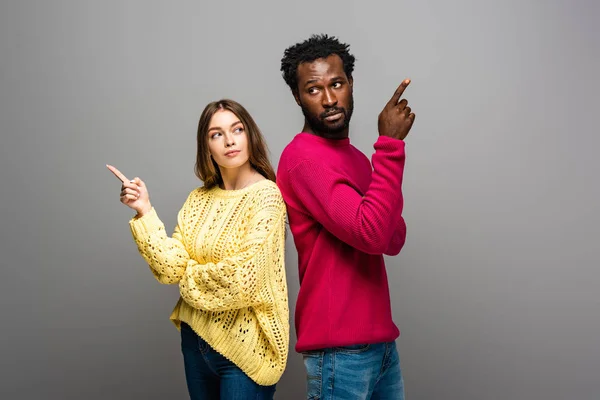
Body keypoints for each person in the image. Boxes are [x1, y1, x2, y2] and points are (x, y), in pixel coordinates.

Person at [107, 99, 289, 400]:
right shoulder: (198, 199)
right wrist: (145, 212)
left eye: (237, 129)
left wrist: (188, 280)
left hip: (245, 350)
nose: (229, 140)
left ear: (249, 135)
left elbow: (243, 280)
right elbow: (169, 270)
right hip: (196, 342)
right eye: (216, 134)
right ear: (206, 147)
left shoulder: (266, 196)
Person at [277, 34, 416, 399]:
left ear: (350, 85)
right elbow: (372, 232)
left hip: (382, 344)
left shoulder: (356, 159)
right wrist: (390, 146)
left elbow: (394, 236)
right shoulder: (302, 160)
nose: (328, 99)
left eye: (336, 84)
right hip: (339, 351)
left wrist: (381, 162)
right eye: (313, 89)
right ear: (297, 97)